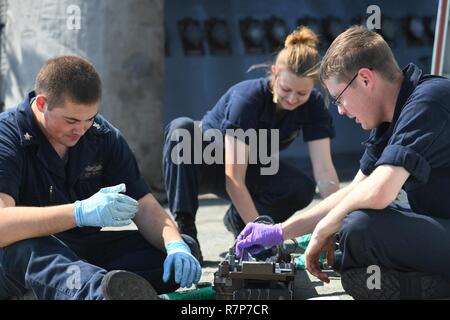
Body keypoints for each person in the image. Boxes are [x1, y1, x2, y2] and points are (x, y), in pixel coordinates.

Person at [236, 25, 450, 299]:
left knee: (357, 227)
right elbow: (355, 190)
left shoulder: (429, 102)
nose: (341, 110)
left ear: (364, 79)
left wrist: (327, 225)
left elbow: (378, 192)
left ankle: (433, 286)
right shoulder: (391, 118)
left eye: (339, 98)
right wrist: (279, 231)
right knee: (352, 229)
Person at [0, 56, 201, 300]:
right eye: (71, 120)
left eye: (90, 118)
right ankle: (100, 294)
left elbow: (145, 206)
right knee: (30, 249)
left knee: (182, 248)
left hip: (80, 252)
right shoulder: (6, 136)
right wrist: (79, 212)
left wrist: (174, 245)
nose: (81, 129)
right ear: (42, 104)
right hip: (19, 256)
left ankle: (69, 288)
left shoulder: (101, 136)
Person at [164, 26, 339, 260]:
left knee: (300, 187)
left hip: (250, 166)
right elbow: (232, 178)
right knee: (181, 129)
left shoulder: (314, 105)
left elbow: (325, 170)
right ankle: (187, 231)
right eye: (286, 89)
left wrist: (336, 222)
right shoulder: (248, 99)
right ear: (274, 73)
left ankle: (238, 222)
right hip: (202, 166)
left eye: (301, 94)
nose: (292, 99)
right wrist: (260, 233)